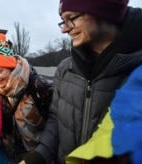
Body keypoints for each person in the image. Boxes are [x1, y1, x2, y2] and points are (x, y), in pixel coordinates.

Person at [15, 0, 142, 164]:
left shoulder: (137, 72)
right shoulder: (65, 68)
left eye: (71, 18)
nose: (64, 29)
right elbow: (56, 119)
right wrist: (41, 154)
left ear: (103, 10)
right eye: (63, 20)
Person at [0, 33, 53, 163]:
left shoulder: (37, 85)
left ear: (13, 68)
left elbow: (55, 122)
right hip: (11, 154)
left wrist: (44, 153)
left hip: (37, 156)